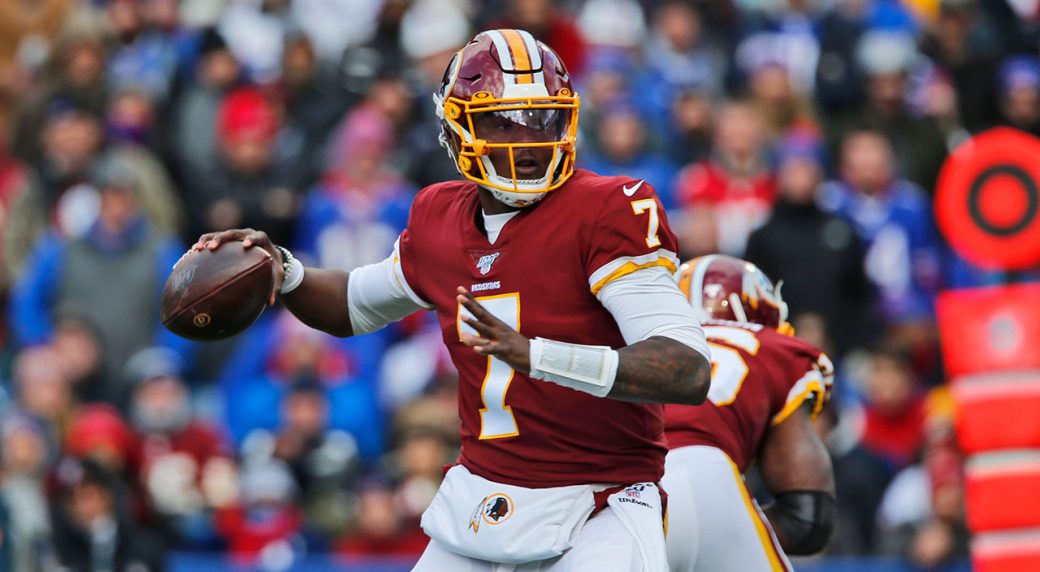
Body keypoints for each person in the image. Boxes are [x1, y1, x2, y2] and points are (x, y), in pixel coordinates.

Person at [194, 28, 711, 571]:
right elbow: (353, 304)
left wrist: (537, 355)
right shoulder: (438, 215)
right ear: (453, 129)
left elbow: (685, 368)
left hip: (600, 501)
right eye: (501, 121)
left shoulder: (608, 208)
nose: (527, 139)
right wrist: (285, 269)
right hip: (482, 497)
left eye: (542, 118)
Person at [664, 255, 837, 571]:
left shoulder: (635, 347)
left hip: (605, 497)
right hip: (699, 475)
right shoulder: (773, 349)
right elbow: (806, 518)